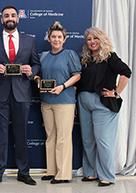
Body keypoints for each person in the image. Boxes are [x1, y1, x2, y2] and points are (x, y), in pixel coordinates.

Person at [0, 5, 41, 187]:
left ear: (18, 18)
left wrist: (31, 71)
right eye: (6, 15)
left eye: (13, 15)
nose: (10, 18)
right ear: (1, 20)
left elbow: (37, 64)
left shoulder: (29, 41)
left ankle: (24, 172)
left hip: (22, 94)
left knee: (21, 135)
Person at [77, 27, 131, 187]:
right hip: (83, 101)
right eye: (89, 39)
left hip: (103, 104)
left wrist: (116, 92)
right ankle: (90, 173)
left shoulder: (109, 57)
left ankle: (107, 175)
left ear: (102, 39)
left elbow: (126, 72)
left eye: (96, 38)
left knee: (103, 141)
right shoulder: (85, 59)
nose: (92, 42)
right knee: (88, 140)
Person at [35, 21, 81, 184]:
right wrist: (38, 80)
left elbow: (77, 75)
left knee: (63, 137)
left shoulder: (70, 54)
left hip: (65, 101)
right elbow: (37, 74)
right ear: (48, 38)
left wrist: (62, 87)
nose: (56, 39)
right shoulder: (43, 56)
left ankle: (63, 174)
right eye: (53, 37)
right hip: (46, 101)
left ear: (64, 39)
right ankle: (52, 171)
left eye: (59, 37)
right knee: (51, 137)